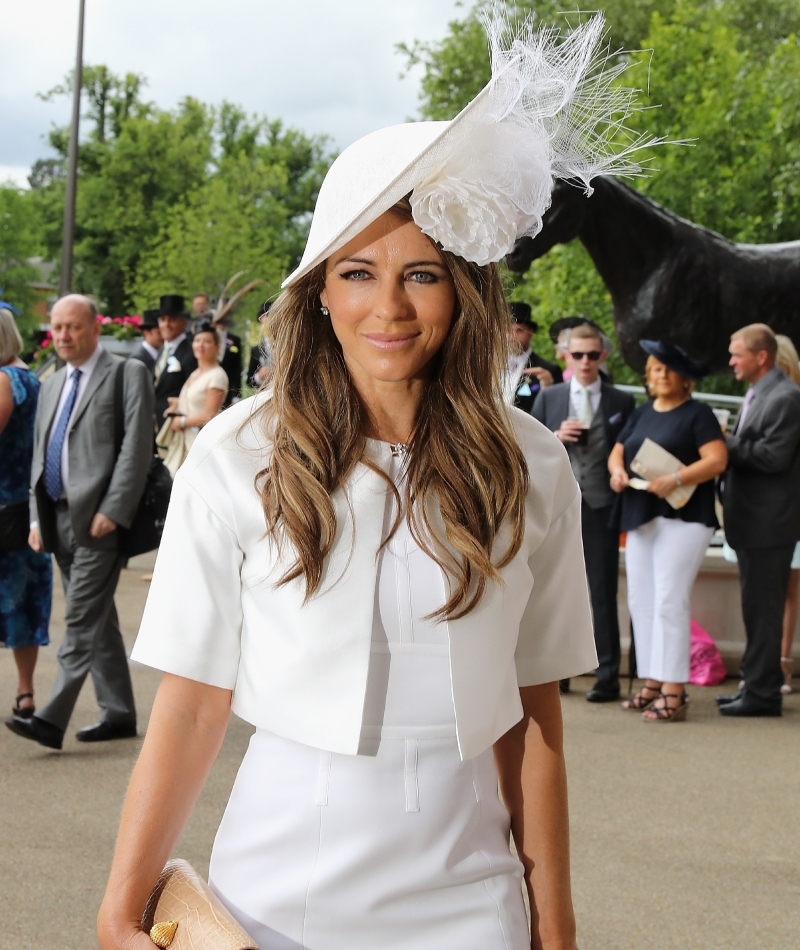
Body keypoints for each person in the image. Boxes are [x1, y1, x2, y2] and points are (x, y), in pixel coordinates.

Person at [96, 11, 648, 946]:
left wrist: (555, 924)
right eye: (357, 272)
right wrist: (122, 904)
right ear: (320, 291)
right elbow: (190, 709)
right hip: (276, 897)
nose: (388, 307)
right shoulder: (235, 456)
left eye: (422, 275)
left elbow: (536, 719)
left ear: (464, 290)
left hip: (476, 902)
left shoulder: (534, 464)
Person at [5, 294, 154, 751]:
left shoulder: (126, 373)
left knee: (79, 619)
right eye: (57, 328)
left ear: (93, 328)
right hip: (56, 518)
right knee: (98, 618)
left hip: (100, 521)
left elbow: (136, 447)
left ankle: (50, 718)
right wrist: (35, 516)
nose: (63, 336)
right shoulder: (50, 383)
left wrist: (115, 508)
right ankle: (119, 712)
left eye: (72, 327)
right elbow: (37, 457)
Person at [608, 340, 727, 722]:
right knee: (641, 600)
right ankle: (653, 681)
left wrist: (676, 477)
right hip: (642, 513)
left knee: (668, 600)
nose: (659, 374)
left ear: (685, 379)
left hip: (685, 517)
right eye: (654, 369)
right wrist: (617, 471)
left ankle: (675, 689)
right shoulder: (642, 412)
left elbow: (716, 460)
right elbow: (618, 448)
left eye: (667, 369)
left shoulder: (698, 413)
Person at [533, 324, 635, 702]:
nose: (586, 361)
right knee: (551, 590)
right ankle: (554, 674)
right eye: (578, 355)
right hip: (556, 505)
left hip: (600, 506)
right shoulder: (551, 397)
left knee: (601, 591)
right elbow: (532, 447)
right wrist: (556, 436)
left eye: (593, 355)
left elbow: (630, 451)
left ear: (603, 356)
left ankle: (607, 675)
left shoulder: (621, 401)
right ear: (565, 356)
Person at [716, 324, 800, 717]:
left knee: (764, 611)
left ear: (761, 356)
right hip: (753, 522)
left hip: (769, 525)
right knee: (755, 608)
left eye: (737, 354)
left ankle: (763, 695)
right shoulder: (760, 391)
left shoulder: (785, 397)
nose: (731, 361)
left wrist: (720, 441)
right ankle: (755, 683)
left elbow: (773, 457)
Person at [0, 309, 52, 719]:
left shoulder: (5, 380)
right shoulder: (31, 378)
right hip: (27, 507)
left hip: (8, 509)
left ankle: (24, 692)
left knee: (16, 599)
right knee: (23, 601)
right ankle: (25, 691)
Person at [774, 335, 800, 693]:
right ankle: (773, 663)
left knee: (788, 589)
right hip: (770, 511)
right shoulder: (756, 399)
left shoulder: (790, 400)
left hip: (788, 510)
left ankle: (781, 663)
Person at [164, 320, 228, 462]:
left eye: (207, 341)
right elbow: (196, 401)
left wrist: (181, 422)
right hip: (184, 440)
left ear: (217, 347)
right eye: (197, 340)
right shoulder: (195, 373)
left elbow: (209, 414)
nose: (200, 345)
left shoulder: (217, 375)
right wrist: (177, 403)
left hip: (198, 442)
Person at [505, 302, 562, 411]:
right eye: (507, 330)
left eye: (519, 331)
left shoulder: (548, 370)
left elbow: (555, 411)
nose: (511, 337)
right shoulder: (490, 367)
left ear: (530, 333)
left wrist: (547, 387)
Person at [154, 295, 197, 424]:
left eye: (172, 319)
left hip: (176, 425)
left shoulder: (191, 353)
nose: (166, 324)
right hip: (157, 424)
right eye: (162, 319)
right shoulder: (162, 350)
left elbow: (193, 394)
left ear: (184, 323)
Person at [210, 311, 243, 406]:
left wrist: (237, 394)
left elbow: (237, 367)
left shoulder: (234, 340)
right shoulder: (207, 337)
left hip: (228, 387)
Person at [247, 301, 274, 388]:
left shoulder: (289, 345)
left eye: (269, 316)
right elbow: (249, 381)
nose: (266, 320)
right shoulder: (256, 350)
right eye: (262, 317)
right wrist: (259, 376)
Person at [129, 310, 163, 374]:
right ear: (146, 332)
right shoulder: (137, 360)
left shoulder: (164, 355)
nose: (163, 336)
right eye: (159, 333)